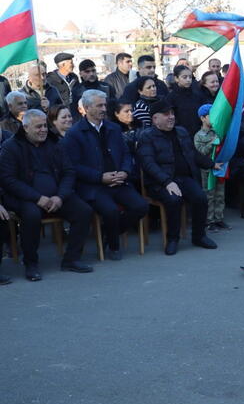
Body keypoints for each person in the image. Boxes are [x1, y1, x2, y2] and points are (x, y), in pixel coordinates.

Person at [0, 109, 94, 280]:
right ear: (26, 127)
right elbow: (8, 180)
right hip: (26, 197)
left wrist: (60, 196)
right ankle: (31, 263)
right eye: (38, 127)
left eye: (45, 125)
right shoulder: (11, 147)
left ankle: (72, 259)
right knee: (31, 215)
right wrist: (38, 198)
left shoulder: (55, 144)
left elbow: (68, 172)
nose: (43, 130)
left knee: (83, 211)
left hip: (56, 195)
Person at [62, 90, 148, 260]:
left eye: (104, 105)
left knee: (141, 206)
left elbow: (125, 154)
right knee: (111, 211)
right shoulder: (75, 134)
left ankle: (109, 233)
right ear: (86, 108)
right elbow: (74, 166)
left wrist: (124, 171)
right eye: (99, 105)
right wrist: (99, 177)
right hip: (94, 186)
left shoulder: (113, 128)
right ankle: (114, 246)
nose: (104, 109)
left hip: (119, 181)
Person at [137, 99, 217, 254]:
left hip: (183, 178)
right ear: (155, 119)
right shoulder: (146, 136)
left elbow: (192, 154)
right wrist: (166, 182)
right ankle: (172, 239)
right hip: (159, 181)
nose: (171, 117)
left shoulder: (181, 132)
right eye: (166, 114)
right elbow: (148, 164)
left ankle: (199, 236)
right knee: (174, 200)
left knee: (200, 198)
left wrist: (211, 164)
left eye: (172, 113)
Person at [193, 104, 229, 232]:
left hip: (219, 167)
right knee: (209, 195)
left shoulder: (217, 131)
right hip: (206, 170)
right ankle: (209, 221)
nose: (214, 118)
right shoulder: (199, 136)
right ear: (203, 118)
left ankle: (219, 219)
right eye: (211, 115)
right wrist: (211, 143)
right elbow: (200, 153)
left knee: (220, 194)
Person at [167, 65, 204, 138]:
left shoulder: (197, 95)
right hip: (180, 136)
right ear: (176, 78)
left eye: (190, 77)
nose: (188, 80)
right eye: (184, 77)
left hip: (198, 134)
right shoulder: (171, 97)